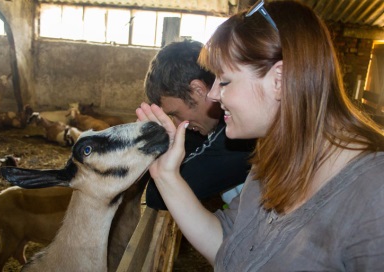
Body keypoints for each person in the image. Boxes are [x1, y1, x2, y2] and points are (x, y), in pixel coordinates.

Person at [136, 0, 384, 270]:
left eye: (225, 81)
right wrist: (166, 175)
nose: (212, 94)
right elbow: (228, 244)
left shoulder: (374, 194)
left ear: (279, 79)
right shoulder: (270, 160)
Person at [143, 40, 256, 210]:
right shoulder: (211, 127)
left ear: (198, 90)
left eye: (175, 113)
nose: (178, 123)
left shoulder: (237, 137)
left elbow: (157, 195)